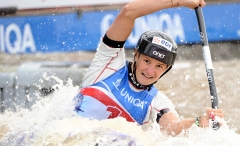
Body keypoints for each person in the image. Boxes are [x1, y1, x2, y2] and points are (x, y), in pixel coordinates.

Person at [74, 0, 224, 136]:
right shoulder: (109, 61)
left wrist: (199, 122)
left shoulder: (157, 101)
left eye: (159, 66)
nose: (150, 71)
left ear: (166, 69)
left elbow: (173, 127)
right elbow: (128, 13)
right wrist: (179, 1)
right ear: (136, 55)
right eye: (147, 61)